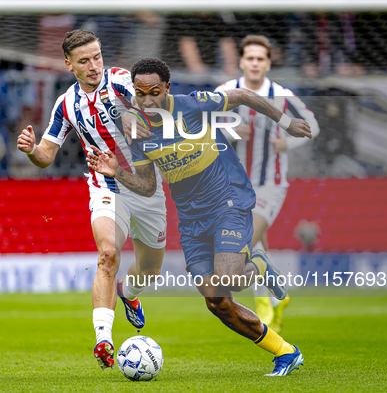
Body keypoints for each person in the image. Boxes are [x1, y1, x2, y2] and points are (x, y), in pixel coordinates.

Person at [87, 58, 312, 376]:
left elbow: (244, 95)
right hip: (192, 220)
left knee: (228, 274)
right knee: (217, 302)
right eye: (140, 93)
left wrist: (286, 122)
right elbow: (148, 183)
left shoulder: (193, 105)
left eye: (154, 92)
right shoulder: (138, 132)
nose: (148, 99)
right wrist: (116, 172)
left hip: (227, 199)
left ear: (167, 87)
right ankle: (286, 352)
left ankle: (257, 263)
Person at [17, 30, 167, 370]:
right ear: (69, 65)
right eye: (84, 61)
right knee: (107, 254)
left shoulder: (122, 82)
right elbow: (46, 155)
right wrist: (30, 150)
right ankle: (104, 340)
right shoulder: (65, 104)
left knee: (150, 269)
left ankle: (130, 293)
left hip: (145, 186)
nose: (94, 65)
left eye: (97, 57)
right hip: (105, 186)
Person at [215, 35, 320, 333]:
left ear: (268, 63)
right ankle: (276, 298)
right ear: (242, 61)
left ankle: (264, 302)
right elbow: (203, 122)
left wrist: (288, 142)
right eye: (250, 58)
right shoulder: (226, 91)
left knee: (245, 241)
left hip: (271, 184)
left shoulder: (282, 94)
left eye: (261, 58)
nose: (255, 63)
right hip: (236, 184)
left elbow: (314, 124)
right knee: (256, 244)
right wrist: (232, 128)